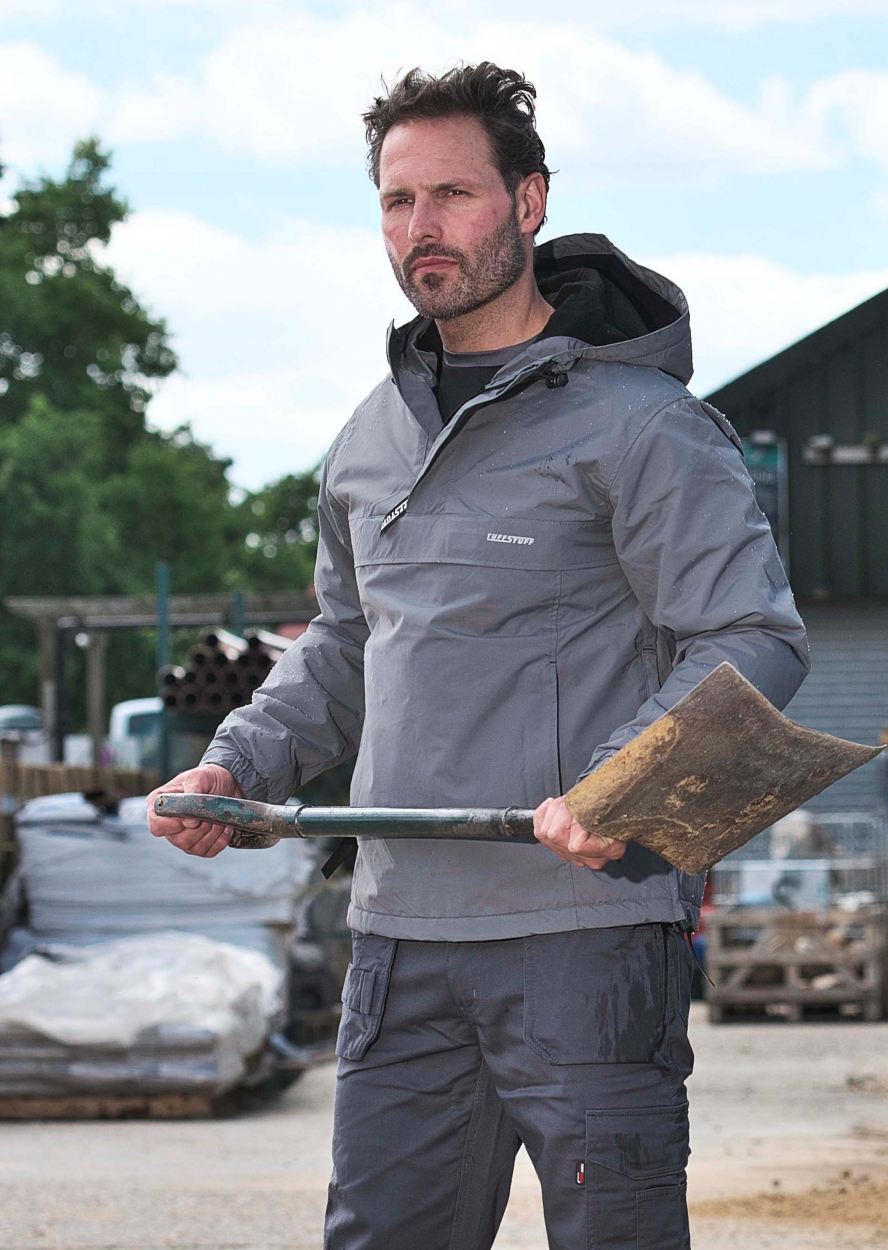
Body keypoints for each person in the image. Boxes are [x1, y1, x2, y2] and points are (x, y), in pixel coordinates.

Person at [147, 62, 809, 1250]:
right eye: (398, 202)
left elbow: (752, 637)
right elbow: (344, 644)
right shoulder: (367, 437)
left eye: (453, 193)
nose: (422, 229)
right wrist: (236, 760)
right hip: (401, 940)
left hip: (585, 938)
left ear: (529, 202)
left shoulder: (642, 426)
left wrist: (624, 785)